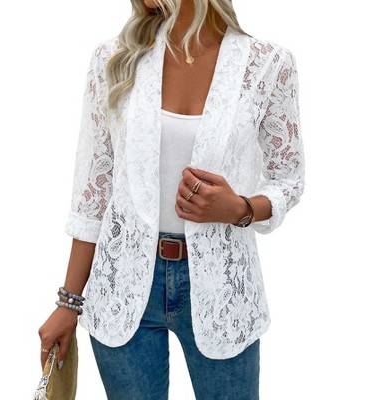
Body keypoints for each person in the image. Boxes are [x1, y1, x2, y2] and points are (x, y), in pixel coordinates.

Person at [38, 0, 305, 398]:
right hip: (123, 286)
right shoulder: (114, 58)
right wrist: (68, 302)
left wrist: (239, 209)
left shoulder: (267, 64)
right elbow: (93, 193)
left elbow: (288, 178)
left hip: (222, 290)